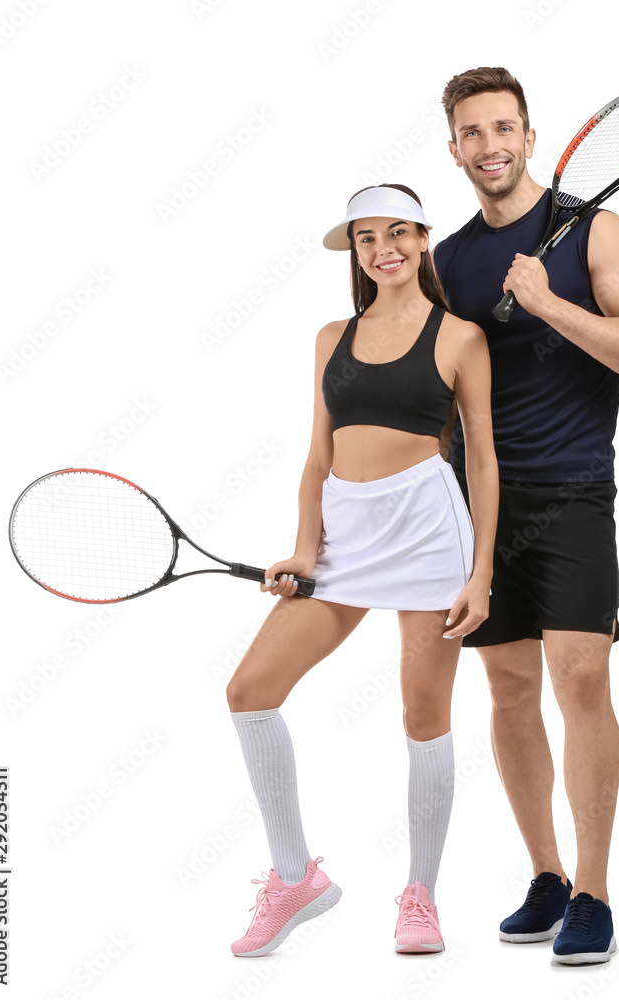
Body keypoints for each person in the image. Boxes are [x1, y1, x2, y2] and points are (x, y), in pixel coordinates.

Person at [433, 67, 619, 965]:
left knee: (580, 679)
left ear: (530, 138)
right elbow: (438, 394)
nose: (490, 145)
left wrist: (547, 303)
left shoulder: (599, 231)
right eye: (472, 132)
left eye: (503, 128)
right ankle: (546, 876)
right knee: (507, 688)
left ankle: (594, 892)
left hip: (573, 490)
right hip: (480, 505)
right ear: (454, 150)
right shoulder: (445, 261)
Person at [225, 182, 498, 957]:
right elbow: (317, 456)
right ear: (356, 252)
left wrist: (480, 572)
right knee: (249, 692)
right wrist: (303, 548)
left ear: (423, 239)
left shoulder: (460, 337)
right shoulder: (330, 337)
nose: (384, 249)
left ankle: (421, 896)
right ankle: (295, 880)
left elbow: (482, 461)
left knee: (422, 714)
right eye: (368, 237)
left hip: (427, 531)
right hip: (344, 535)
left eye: (398, 232)